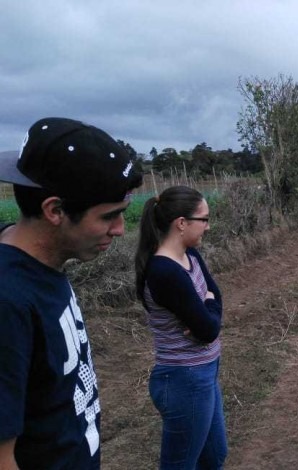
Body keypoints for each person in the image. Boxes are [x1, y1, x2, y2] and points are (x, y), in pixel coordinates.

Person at [0, 117, 143, 469]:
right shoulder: (8, 301)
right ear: (55, 210)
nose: (121, 230)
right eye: (110, 216)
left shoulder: (42, 265)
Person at [134, 185, 227, 469]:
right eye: (204, 219)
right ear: (182, 223)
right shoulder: (164, 271)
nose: (208, 227)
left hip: (204, 371)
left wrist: (207, 311)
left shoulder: (191, 256)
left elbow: (216, 297)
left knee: (214, 456)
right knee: (181, 464)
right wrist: (207, 314)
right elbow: (209, 329)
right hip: (184, 379)